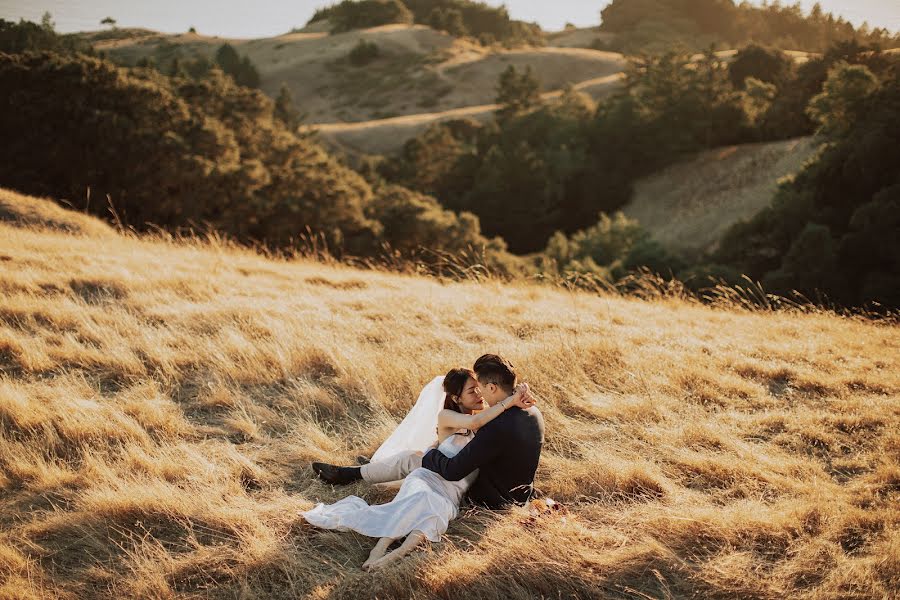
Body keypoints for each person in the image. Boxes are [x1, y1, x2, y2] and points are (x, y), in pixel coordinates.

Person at [302, 367, 534, 570]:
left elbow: (483, 420)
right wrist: (510, 400)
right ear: (457, 398)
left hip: (453, 485)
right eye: (472, 390)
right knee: (419, 492)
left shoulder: (487, 418)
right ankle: (380, 546)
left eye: (479, 388)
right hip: (434, 477)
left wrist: (516, 394)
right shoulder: (453, 416)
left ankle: (394, 554)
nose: (479, 393)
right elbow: (474, 423)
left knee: (428, 498)